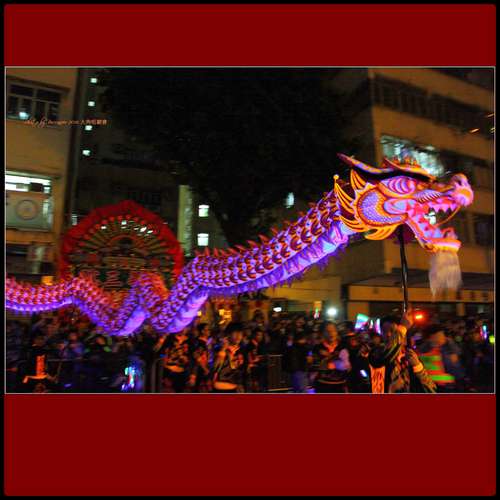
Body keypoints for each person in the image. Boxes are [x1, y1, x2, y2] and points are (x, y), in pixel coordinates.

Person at [368, 309, 436, 393]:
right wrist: (403, 327)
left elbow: (431, 390)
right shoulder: (377, 352)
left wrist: (418, 367)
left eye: (393, 331)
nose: (388, 334)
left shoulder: (410, 355)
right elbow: (385, 356)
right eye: (384, 331)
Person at [312, 322, 351, 393]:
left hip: (340, 385)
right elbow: (314, 367)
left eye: (333, 330)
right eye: (327, 331)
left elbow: (348, 367)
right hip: (323, 386)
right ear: (323, 333)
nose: (331, 333)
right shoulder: (317, 348)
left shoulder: (343, 346)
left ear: (337, 332)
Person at [213, 322, 247, 393]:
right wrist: (223, 349)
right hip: (221, 388)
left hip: (236, 388)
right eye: (235, 332)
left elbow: (243, 370)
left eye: (240, 333)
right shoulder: (219, 348)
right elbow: (215, 368)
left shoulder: (242, 350)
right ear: (228, 334)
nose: (238, 336)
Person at [188, 323, 212, 393]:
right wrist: (205, 369)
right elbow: (197, 357)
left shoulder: (206, 342)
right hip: (199, 370)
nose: (209, 331)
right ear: (202, 331)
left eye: (209, 329)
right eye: (207, 329)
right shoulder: (200, 342)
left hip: (205, 367)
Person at [245, 327, 267, 392]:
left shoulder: (260, 344)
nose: (260, 337)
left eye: (261, 335)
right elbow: (250, 358)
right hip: (253, 369)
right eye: (258, 335)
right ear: (254, 335)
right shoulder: (250, 345)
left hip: (259, 369)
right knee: (255, 387)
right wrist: (259, 358)